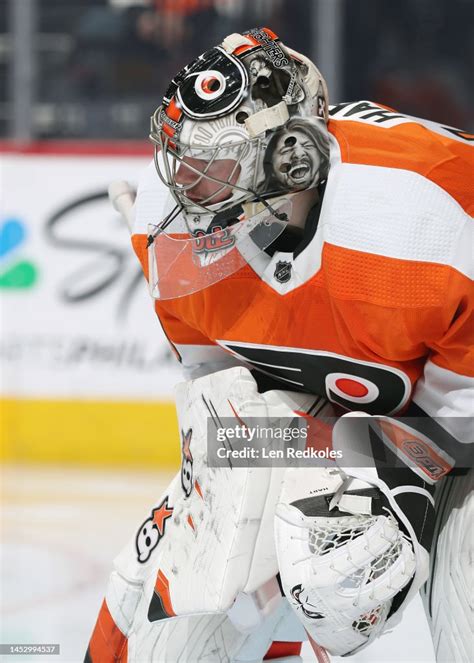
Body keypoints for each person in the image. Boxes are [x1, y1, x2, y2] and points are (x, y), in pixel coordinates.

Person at [85, 27, 473, 662]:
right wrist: (208, 513)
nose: (186, 190)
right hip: (340, 418)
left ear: (293, 157)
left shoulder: (434, 212)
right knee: (175, 620)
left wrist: (401, 498)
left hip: (459, 426)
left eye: (213, 168)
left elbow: (462, 419)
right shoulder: (167, 226)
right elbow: (228, 407)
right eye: (182, 159)